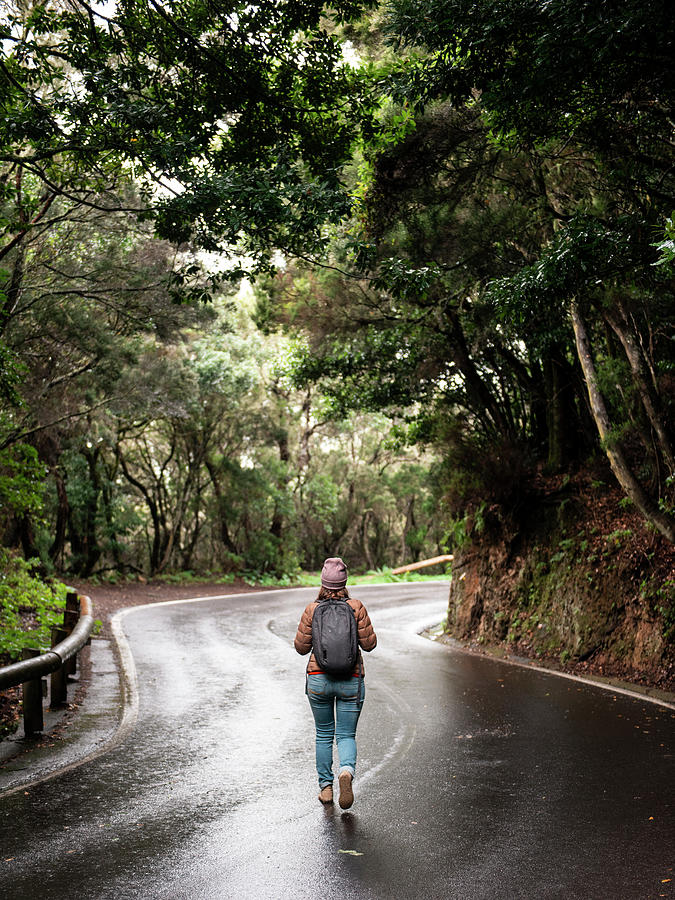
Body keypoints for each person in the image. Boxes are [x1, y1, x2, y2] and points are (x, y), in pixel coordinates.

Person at [294, 557, 377, 809]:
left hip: (318, 680)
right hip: (351, 680)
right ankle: (347, 772)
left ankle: (326, 788)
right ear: (344, 582)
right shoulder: (356, 607)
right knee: (345, 734)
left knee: (323, 735)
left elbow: (300, 648)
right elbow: (370, 644)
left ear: (322, 582)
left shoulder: (312, 609)